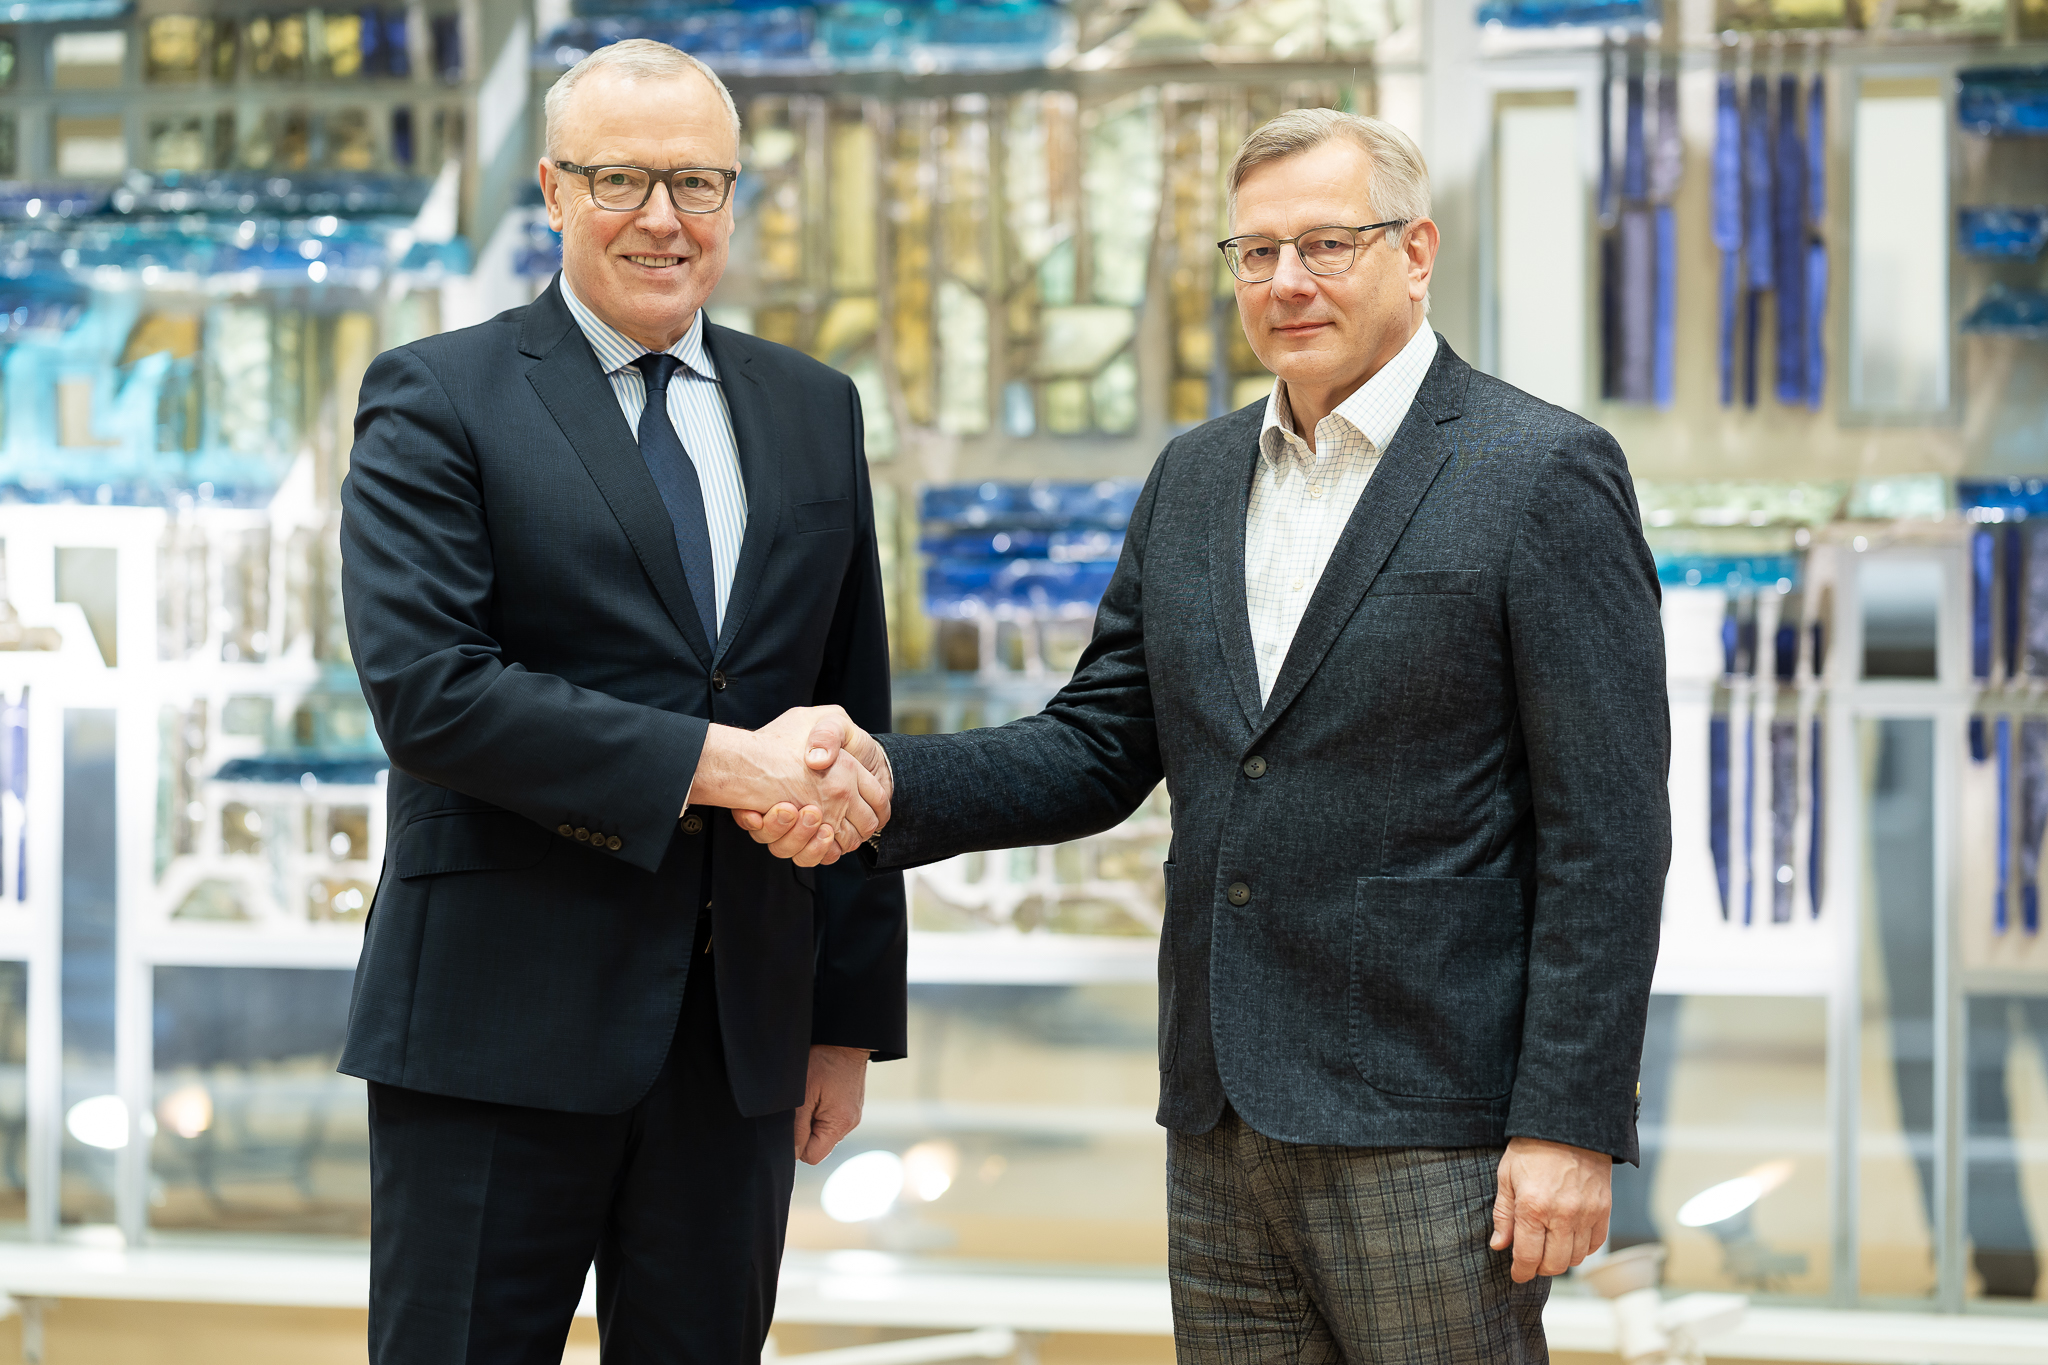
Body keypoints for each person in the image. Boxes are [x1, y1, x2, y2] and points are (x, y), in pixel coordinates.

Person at [747, 108, 1670, 1362]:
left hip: (1433, 1122)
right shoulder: (1193, 477)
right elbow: (1095, 744)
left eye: (1326, 244)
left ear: (1414, 252)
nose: (1286, 281)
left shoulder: (1539, 470)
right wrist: (877, 778)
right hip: (1219, 1119)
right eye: (1255, 252)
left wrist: (1567, 1122)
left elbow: (1606, 833)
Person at [338, 40, 904, 1365]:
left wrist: (844, 1021)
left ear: (732, 195)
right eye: (620, 180)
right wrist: (725, 766)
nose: (664, 218)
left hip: (737, 1039)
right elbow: (433, 695)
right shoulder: (437, 395)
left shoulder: (814, 408)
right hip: (494, 1028)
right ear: (551, 189)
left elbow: (846, 714)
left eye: (697, 182)